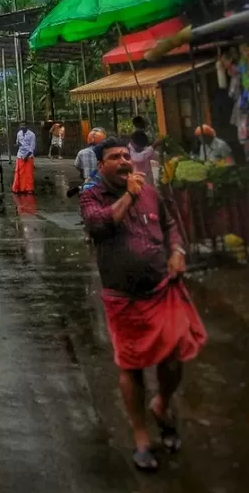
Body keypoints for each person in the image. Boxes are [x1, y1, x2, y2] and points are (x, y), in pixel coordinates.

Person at [80, 136, 207, 472]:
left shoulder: (150, 191)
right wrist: (129, 196)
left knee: (173, 359)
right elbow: (99, 225)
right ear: (102, 164)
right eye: (115, 157)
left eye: (127, 155)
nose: (124, 161)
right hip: (123, 298)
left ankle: (162, 405)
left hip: (162, 291)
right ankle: (141, 439)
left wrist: (177, 252)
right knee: (132, 368)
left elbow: (169, 225)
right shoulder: (92, 195)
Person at [12, 122, 36, 194]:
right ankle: (18, 188)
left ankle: (29, 189)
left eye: (24, 125)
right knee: (19, 172)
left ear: (27, 126)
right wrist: (17, 145)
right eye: (21, 125)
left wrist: (27, 156)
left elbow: (32, 147)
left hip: (28, 155)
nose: (22, 126)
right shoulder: (19, 133)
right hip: (20, 155)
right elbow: (18, 143)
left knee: (28, 173)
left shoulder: (32, 134)